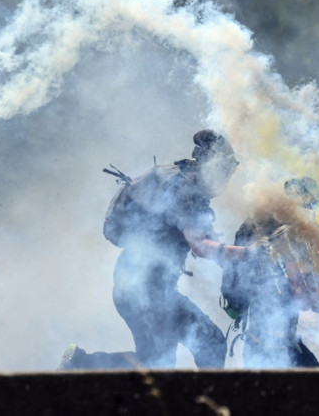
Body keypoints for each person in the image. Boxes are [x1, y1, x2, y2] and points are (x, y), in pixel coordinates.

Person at [65, 130, 254, 370]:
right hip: (144, 291)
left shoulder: (180, 180)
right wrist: (251, 254)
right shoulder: (187, 189)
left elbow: (205, 241)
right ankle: (81, 364)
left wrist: (237, 259)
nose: (228, 176)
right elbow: (201, 246)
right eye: (226, 168)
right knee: (160, 364)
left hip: (148, 289)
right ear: (212, 164)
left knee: (206, 346)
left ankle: (80, 363)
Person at [220, 177, 319, 368]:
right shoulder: (286, 232)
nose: (311, 212)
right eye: (310, 204)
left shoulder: (260, 222)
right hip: (277, 340)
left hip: (261, 336)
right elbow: (306, 299)